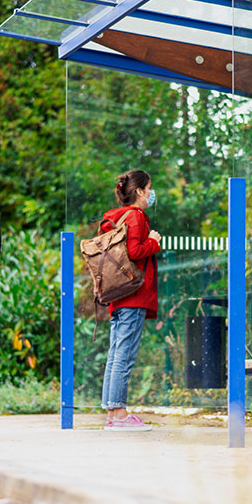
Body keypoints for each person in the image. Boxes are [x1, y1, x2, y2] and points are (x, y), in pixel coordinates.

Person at [99, 169, 161, 431]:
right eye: (149, 189)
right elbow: (135, 251)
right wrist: (154, 242)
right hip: (134, 295)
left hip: (119, 295)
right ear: (138, 191)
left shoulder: (116, 218)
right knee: (124, 356)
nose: (151, 194)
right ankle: (120, 413)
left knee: (116, 355)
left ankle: (113, 413)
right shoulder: (135, 217)